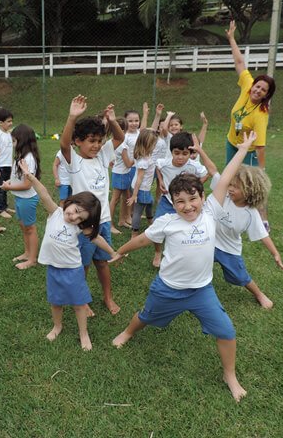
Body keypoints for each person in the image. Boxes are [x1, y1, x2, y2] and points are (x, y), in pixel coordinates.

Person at [110, 132, 258, 403]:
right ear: (172, 201)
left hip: (202, 291)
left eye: (193, 199)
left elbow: (225, 176)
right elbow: (142, 239)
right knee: (145, 316)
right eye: (180, 202)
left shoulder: (212, 210)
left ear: (203, 197)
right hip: (168, 288)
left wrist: (244, 148)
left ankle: (230, 375)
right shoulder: (167, 222)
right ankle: (127, 332)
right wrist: (120, 251)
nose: (188, 206)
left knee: (226, 330)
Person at [18, 159, 117, 350]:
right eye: (76, 211)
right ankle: (57, 326)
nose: (74, 217)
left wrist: (113, 252)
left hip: (73, 270)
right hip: (53, 268)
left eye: (80, 217)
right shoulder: (55, 212)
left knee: (79, 304)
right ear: (71, 202)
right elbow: (43, 193)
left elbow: (97, 238)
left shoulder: (80, 227)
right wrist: (30, 176)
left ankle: (84, 333)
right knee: (56, 302)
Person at [59, 95, 124, 315]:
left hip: (103, 221)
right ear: (78, 142)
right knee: (83, 264)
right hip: (83, 224)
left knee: (103, 262)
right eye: (91, 141)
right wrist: (72, 117)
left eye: (99, 141)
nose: (96, 145)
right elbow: (63, 143)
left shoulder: (103, 157)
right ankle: (82, 299)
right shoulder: (74, 162)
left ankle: (108, 297)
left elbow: (120, 138)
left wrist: (113, 121)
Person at [212, 165, 283, 309]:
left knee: (240, 276)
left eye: (236, 187)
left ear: (250, 191)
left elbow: (263, 235)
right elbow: (213, 171)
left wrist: (275, 254)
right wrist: (199, 150)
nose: (230, 189)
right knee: (194, 259)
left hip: (228, 249)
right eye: (230, 184)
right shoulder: (224, 196)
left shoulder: (251, 214)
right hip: (209, 241)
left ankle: (259, 294)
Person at [225, 20, 277, 227]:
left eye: (263, 90)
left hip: (250, 150)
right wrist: (231, 39)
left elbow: (261, 145)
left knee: (254, 183)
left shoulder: (261, 115)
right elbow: (240, 63)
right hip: (232, 142)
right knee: (230, 176)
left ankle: (263, 220)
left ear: (266, 95)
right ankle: (230, 210)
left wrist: (261, 169)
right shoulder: (247, 86)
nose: (257, 90)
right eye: (258, 86)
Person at [151, 132, 208, 267]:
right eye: (176, 153)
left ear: (190, 154)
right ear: (171, 152)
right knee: (156, 226)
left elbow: (206, 174)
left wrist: (195, 186)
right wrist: (160, 181)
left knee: (189, 227)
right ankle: (158, 252)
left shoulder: (193, 166)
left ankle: (188, 251)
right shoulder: (164, 163)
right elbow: (157, 166)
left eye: (184, 154)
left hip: (186, 204)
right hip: (168, 201)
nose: (180, 157)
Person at [1, 124, 41, 270]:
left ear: (22, 141)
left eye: (14, 141)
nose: (12, 144)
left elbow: (27, 185)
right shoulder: (21, 157)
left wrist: (8, 187)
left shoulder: (28, 159)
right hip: (20, 198)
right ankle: (27, 253)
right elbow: (18, 178)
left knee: (30, 228)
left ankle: (32, 259)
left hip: (27, 199)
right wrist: (10, 182)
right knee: (24, 227)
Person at [126, 128, 158, 238]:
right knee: (138, 212)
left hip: (142, 189)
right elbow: (139, 179)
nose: (155, 146)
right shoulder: (144, 161)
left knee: (150, 203)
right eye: (154, 144)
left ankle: (150, 222)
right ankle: (134, 234)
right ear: (147, 145)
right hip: (141, 189)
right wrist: (134, 195)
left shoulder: (143, 155)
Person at [108, 117, 133, 233]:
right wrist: (138, 158)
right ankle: (110, 225)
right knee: (115, 199)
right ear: (123, 131)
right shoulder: (122, 146)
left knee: (126, 197)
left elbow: (110, 160)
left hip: (121, 173)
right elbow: (128, 164)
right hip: (121, 174)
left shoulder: (110, 143)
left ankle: (122, 220)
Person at [0, 108, 16, 219]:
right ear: (0, 123)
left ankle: (5, 207)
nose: (11, 123)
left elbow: (10, 147)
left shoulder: (8, 134)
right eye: (8, 121)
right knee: (0, 188)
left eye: (11, 121)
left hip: (8, 166)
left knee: (6, 187)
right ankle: (0, 209)